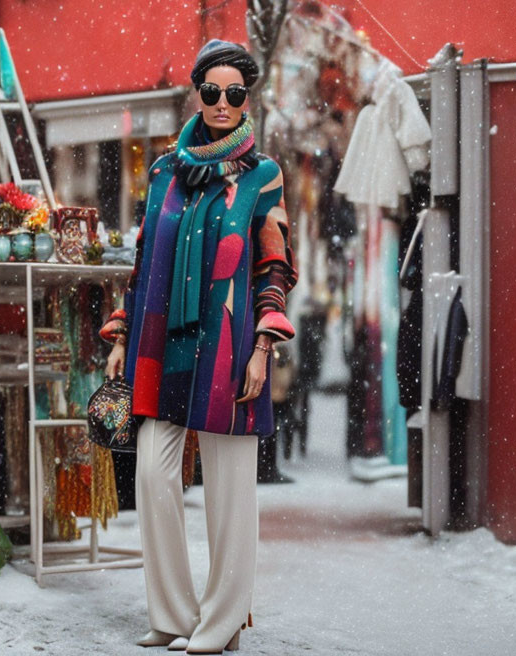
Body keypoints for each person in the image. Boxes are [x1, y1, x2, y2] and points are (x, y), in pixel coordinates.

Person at [99, 38, 298, 654]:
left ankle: (223, 621)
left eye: (233, 93)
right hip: (160, 337)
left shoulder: (264, 176)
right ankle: (173, 614)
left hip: (230, 340)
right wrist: (124, 332)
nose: (221, 102)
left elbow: (275, 266)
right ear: (198, 92)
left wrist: (265, 343)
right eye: (211, 91)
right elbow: (143, 260)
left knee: (230, 490)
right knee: (154, 480)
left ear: (247, 100)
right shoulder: (163, 172)